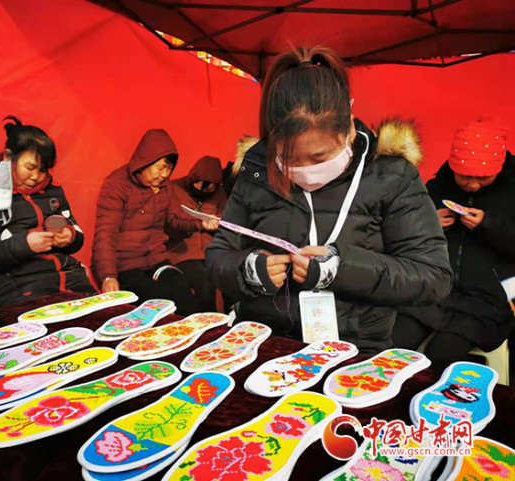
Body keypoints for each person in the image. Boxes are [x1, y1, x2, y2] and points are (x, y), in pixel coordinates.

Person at [205, 46, 453, 354]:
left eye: (319, 156)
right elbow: (218, 255)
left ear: (348, 126)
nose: (306, 169)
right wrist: (249, 271)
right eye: (289, 157)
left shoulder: (391, 174)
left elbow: (433, 277)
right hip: (266, 347)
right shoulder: (256, 170)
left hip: (354, 353)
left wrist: (342, 267)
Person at [393, 119, 515, 370]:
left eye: (483, 178)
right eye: (464, 176)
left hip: (488, 301)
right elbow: (401, 233)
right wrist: (428, 222)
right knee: (396, 343)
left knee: (443, 354)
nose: (472, 184)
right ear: (452, 165)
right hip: (433, 291)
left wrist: (489, 226)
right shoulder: (438, 185)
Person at [0, 116, 93, 309]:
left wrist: (70, 236)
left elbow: (77, 235)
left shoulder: (52, 191)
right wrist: (24, 245)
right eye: (30, 168)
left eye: (43, 170)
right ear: (8, 157)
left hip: (71, 284)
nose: (36, 177)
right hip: (18, 293)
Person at [91, 129, 205, 315]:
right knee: (159, 302)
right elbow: (105, 234)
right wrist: (108, 276)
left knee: (184, 295)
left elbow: (174, 220)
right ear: (145, 162)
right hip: (125, 265)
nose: (165, 174)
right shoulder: (116, 185)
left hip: (156, 260)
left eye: (169, 169)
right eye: (160, 168)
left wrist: (199, 224)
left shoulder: (164, 187)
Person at [166, 155, 227, 311]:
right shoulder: (174, 188)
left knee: (226, 274)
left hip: (211, 249)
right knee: (204, 279)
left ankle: (225, 317)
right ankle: (208, 322)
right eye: (203, 185)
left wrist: (218, 223)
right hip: (182, 250)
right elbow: (169, 222)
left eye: (212, 187)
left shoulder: (219, 194)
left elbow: (228, 221)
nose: (207, 190)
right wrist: (197, 224)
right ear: (193, 178)